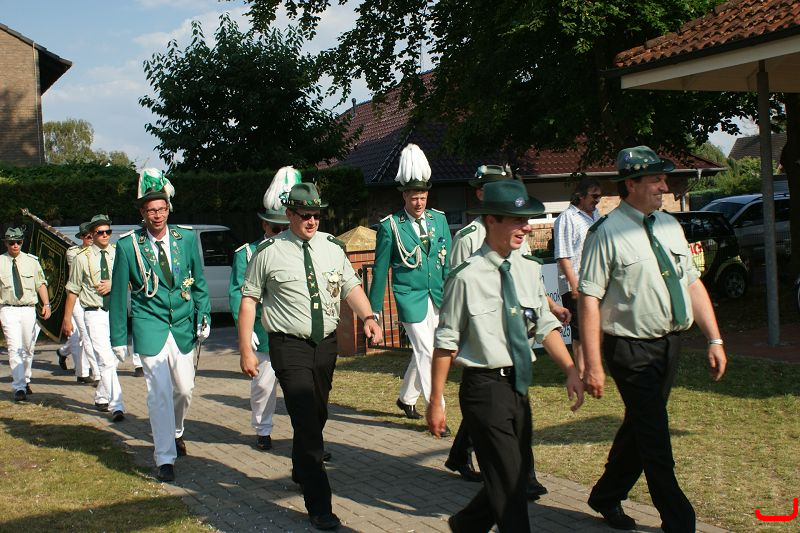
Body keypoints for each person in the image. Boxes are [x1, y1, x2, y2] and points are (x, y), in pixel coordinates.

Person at [579, 146, 727, 532]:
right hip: (629, 348)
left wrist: (714, 339)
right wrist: (592, 364)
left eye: (664, 179)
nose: (665, 186)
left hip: (669, 344)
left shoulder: (669, 225)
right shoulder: (605, 234)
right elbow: (589, 300)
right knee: (655, 434)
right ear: (631, 184)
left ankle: (606, 495)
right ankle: (679, 521)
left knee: (642, 426)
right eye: (656, 179)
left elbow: (691, 282)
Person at [428, 180, 584, 532]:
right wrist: (436, 400)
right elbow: (446, 342)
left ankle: (466, 525)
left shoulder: (527, 268)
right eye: (517, 220)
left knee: (512, 473)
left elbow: (544, 325)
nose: (526, 227)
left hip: (518, 387)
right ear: (492, 220)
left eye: (526, 220)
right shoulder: (465, 277)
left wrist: (570, 369)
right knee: (512, 484)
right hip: (484, 389)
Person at [238, 182, 382, 531]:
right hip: (288, 345)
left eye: (317, 215)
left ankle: (301, 466)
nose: (312, 221)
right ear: (289, 214)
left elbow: (350, 286)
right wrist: (245, 349)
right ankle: (320, 505)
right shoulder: (268, 252)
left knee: (317, 414)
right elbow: (249, 301)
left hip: (325, 344)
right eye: (305, 215)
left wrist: (368, 317)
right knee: (305, 418)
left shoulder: (332, 247)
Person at [109, 169, 211, 482]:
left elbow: (198, 282)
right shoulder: (129, 246)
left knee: (185, 389)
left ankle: (176, 430)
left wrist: (204, 315)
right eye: (151, 210)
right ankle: (164, 457)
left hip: (182, 324)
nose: (157, 215)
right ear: (142, 213)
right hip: (149, 325)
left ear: (168, 209)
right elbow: (118, 295)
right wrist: (118, 337)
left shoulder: (186, 238)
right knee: (160, 393)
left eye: (162, 209)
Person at [368, 143, 452, 434]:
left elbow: (447, 263)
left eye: (423, 197)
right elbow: (380, 271)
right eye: (414, 197)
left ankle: (406, 398)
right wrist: (374, 311)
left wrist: (453, 296)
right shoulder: (390, 226)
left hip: (437, 295)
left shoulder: (439, 219)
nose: (419, 203)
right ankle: (437, 411)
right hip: (409, 298)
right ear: (403, 195)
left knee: (427, 349)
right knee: (428, 351)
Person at [229, 166, 300, 451]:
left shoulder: (300, 252)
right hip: (262, 330)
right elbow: (238, 295)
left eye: (285, 228)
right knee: (263, 386)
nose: (280, 234)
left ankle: (307, 436)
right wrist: (244, 333)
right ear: (264, 226)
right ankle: (263, 429)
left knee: (301, 390)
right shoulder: (247, 253)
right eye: (275, 228)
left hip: (295, 332)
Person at [63, 214, 125, 422]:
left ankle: (101, 395)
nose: (105, 235)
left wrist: (113, 284)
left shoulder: (118, 253)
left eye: (108, 231)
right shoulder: (81, 258)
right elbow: (73, 289)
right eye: (100, 232)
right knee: (105, 360)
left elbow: (131, 281)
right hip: (94, 312)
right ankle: (117, 406)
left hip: (116, 312)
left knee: (116, 357)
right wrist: (67, 318)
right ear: (91, 234)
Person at [553, 177, 602, 378]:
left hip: (595, 282)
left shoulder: (596, 215)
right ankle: (581, 372)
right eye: (594, 196)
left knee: (595, 327)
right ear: (580, 196)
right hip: (576, 283)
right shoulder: (566, 218)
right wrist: (574, 286)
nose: (597, 200)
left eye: (599, 196)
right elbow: (562, 255)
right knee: (580, 331)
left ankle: (592, 367)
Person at [0, 226, 51, 402]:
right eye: (11, 242)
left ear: (22, 242)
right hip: (8, 309)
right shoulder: (0, 262)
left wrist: (46, 304)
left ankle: (26, 378)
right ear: (6, 243)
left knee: (28, 348)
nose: (15, 245)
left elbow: (40, 284)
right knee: (14, 348)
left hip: (28, 309)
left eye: (18, 242)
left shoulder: (32, 261)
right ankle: (19, 387)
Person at [58, 223, 101, 385]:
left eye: (92, 235)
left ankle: (78, 367)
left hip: (93, 297)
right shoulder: (73, 252)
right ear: (81, 237)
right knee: (85, 335)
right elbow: (79, 263)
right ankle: (96, 373)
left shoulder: (99, 251)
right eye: (87, 236)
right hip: (76, 298)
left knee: (84, 336)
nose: (90, 238)